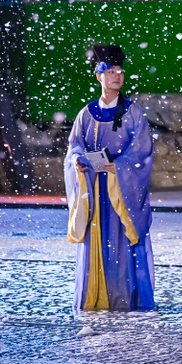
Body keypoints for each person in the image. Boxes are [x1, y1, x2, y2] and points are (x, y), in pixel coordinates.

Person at [64, 44, 155, 312]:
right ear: (99, 76)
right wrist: (78, 162)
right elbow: (75, 147)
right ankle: (96, 296)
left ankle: (123, 297)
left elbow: (142, 151)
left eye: (120, 71)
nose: (117, 76)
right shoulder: (86, 113)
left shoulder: (133, 112)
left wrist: (121, 166)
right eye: (111, 71)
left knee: (122, 241)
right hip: (94, 190)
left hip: (121, 190)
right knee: (97, 242)